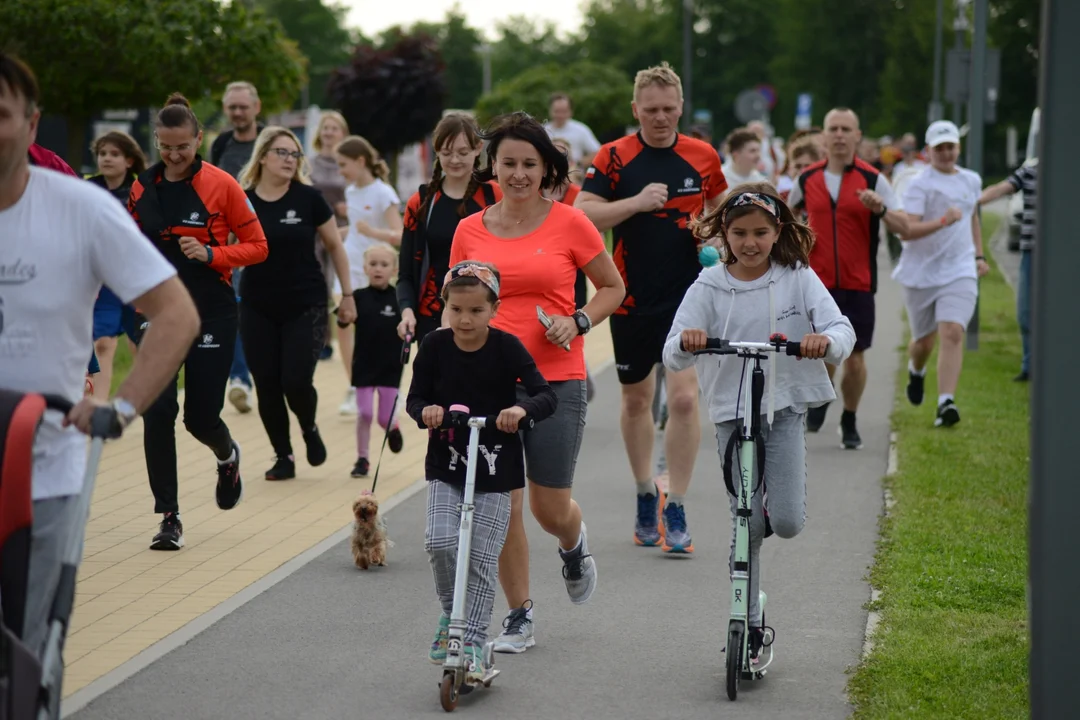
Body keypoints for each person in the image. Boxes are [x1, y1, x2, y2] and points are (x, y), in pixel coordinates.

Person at [0, 52, 200, 714]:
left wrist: (119, 405)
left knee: (29, 657)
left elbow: (175, 315)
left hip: (43, 472)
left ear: (31, 125)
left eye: (0, 114)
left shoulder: (81, 210)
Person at [450, 111, 625, 652]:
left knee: (549, 509)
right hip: (488, 380)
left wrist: (577, 320)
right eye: (509, 163)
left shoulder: (571, 222)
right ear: (492, 167)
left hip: (555, 380)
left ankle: (573, 543)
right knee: (501, 502)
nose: (519, 173)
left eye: (530, 163)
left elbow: (611, 289)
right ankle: (519, 615)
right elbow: (455, 304)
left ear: (547, 167)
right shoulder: (469, 229)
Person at [662, 185, 855, 664]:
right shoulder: (709, 284)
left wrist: (822, 343)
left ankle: (755, 526)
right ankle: (746, 625)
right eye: (740, 232)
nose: (750, 243)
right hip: (732, 414)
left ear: (777, 233)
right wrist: (690, 340)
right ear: (724, 233)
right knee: (744, 522)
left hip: (784, 409)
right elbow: (672, 350)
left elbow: (842, 331)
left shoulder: (797, 277)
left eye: (760, 233)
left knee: (785, 522)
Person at [575, 61, 727, 553]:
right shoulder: (614, 157)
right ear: (635, 109)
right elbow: (583, 214)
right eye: (651, 110)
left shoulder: (702, 155)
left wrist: (715, 241)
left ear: (681, 107)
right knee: (637, 400)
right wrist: (635, 204)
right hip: (630, 296)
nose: (660, 118)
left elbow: (724, 211)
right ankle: (645, 490)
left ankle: (676, 503)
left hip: (689, 299)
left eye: (668, 109)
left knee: (683, 400)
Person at [128, 93, 269, 550]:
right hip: (159, 313)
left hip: (212, 308)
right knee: (158, 409)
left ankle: (227, 457)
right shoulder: (140, 188)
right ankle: (169, 516)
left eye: (182, 147)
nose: (173, 156)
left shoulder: (222, 184)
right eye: (165, 147)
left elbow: (258, 245)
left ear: (199, 139)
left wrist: (212, 253)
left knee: (199, 417)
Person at [406, 261, 558, 680]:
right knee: (440, 543)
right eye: (456, 310)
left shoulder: (507, 347)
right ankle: (449, 618)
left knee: (480, 557)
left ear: (494, 308)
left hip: (495, 469)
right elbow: (414, 400)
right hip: (446, 465)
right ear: (445, 308)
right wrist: (428, 412)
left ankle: (471, 640)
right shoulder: (434, 346)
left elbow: (545, 396)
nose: (465, 319)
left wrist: (519, 409)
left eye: (476, 310)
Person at [237, 126, 356, 480]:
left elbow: (335, 247)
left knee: (295, 380)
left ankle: (308, 427)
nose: (290, 160)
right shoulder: (243, 200)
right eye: (282, 153)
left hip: (306, 303)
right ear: (262, 157)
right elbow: (228, 246)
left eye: (295, 155)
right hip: (257, 304)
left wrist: (347, 296)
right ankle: (283, 456)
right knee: (267, 383)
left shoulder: (309, 198)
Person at [787, 107, 909, 448]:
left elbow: (906, 227)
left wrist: (881, 210)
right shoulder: (807, 179)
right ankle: (822, 398)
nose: (839, 135)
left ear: (857, 136)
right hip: (817, 284)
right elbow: (782, 218)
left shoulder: (874, 180)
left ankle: (850, 418)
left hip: (858, 283)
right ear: (823, 137)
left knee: (854, 360)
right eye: (833, 129)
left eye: (846, 129)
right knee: (822, 355)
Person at [895, 121, 989, 427]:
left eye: (951, 147)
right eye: (940, 148)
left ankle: (945, 403)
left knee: (952, 331)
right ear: (929, 151)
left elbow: (973, 218)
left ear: (958, 149)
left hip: (960, 268)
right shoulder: (920, 184)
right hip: (921, 271)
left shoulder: (971, 180)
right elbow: (907, 232)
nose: (946, 153)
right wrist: (942, 221)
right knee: (923, 343)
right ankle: (916, 370)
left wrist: (979, 254)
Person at [397, 113, 499, 345]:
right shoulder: (421, 203)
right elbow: (406, 272)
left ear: (477, 149)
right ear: (436, 151)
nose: (455, 159)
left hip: (486, 314)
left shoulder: (494, 196)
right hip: (433, 315)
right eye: (446, 152)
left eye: (463, 152)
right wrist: (407, 311)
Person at [334, 135, 402, 414]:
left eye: (343, 164)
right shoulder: (350, 191)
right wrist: (336, 234)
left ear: (360, 161)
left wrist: (373, 234)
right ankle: (355, 385)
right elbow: (355, 228)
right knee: (344, 325)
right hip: (349, 267)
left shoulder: (383, 192)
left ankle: (388, 390)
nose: (341, 171)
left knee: (379, 333)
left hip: (376, 271)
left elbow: (399, 235)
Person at [210, 81, 265, 414]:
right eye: (232, 107)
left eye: (243, 106)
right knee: (232, 307)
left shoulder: (271, 142)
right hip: (227, 242)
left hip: (263, 238)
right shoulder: (221, 144)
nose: (238, 112)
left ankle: (262, 375)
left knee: (256, 311)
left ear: (256, 108)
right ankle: (239, 379)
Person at [87, 130, 148, 399]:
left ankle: (144, 404)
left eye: (114, 154)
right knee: (103, 343)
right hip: (102, 281)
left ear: (130, 161)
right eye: (102, 154)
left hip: (135, 279)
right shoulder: (86, 190)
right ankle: (98, 410)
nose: (106, 159)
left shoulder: (142, 192)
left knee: (140, 345)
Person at [980, 159, 1037, 382]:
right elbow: (1001, 189)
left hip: (1062, 257)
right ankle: (1029, 366)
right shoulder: (1032, 170)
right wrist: (972, 201)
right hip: (1031, 252)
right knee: (1025, 311)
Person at [350, 244, 405, 477]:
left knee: (383, 418)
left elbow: (411, 327)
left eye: (384, 265)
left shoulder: (400, 300)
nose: (378, 269)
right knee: (364, 413)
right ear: (364, 268)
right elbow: (343, 320)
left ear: (394, 270)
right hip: (363, 366)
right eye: (373, 264)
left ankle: (393, 427)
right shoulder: (357, 298)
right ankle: (362, 459)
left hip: (391, 368)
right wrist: (343, 318)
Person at [308, 111, 351, 360]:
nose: (329, 133)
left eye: (334, 128)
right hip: (315, 230)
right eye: (325, 128)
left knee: (343, 283)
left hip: (342, 228)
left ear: (342, 133)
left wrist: (348, 206)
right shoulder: (310, 163)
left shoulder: (347, 162)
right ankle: (323, 340)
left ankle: (348, 331)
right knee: (321, 283)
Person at [543, 92, 601, 169]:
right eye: (557, 111)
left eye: (564, 111)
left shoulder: (581, 130)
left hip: (574, 176)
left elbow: (597, 152)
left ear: (571, 111)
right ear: (550, 110)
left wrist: (578, 164)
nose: (560, 115)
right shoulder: (543, 131)